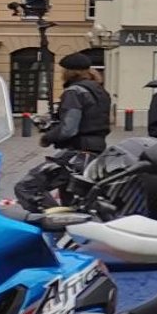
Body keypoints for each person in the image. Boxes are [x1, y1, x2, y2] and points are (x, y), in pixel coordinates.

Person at [16, 52, 114, 210]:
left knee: (27, 187)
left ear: (69, 72)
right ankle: (70, 228)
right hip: (95, 153)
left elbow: (69, 128)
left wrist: (48, 136)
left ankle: (54, 224)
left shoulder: (74, 92)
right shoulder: (100, 91)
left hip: (76, 154)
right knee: (74, 203)